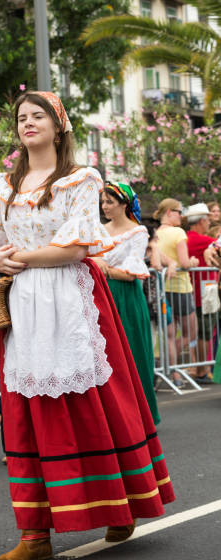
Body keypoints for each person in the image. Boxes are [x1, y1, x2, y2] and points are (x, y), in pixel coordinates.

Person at [0, 91, 175, 560]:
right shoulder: (3, 184)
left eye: (38, 115)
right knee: (24, 413)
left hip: (73, 299)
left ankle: (119, 504)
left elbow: (76, 248)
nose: (28, 123)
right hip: (22, 304)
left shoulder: (83, 179)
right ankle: (34, 531)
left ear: (58, 125)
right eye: (21, 117)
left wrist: (10, 259)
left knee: (93, 406)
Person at [93, 182, 160, 425]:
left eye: (109, 202)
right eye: (103, 202)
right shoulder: (99, 230)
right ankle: (113, 416)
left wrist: (104, 269)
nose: (105, 207)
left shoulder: (138, 232)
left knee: (132, 353)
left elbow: (132, 273)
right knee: (105, 355)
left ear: (124, 204)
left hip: (126, 296)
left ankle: (140, 415)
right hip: (100, 295)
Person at [154, 198, 199, 387]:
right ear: (169, 212)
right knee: (191, 332)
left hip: (161, 288)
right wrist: (194, 261)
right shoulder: (178, 232)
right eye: (179, 211)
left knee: (170, 334)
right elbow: (185, 263)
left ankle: (172, 372)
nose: (182, 216)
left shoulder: (155, 233)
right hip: (180, 287)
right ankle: (166, 365)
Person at [185, 203, 220, 384]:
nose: (208, 224)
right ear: (201, 221)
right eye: (207, 220)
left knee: (202, 331)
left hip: (199, 291)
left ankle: (200, 368)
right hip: (204, 292)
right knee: (206, 331)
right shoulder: (200, 240)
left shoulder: (188, 238)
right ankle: (201, 370)